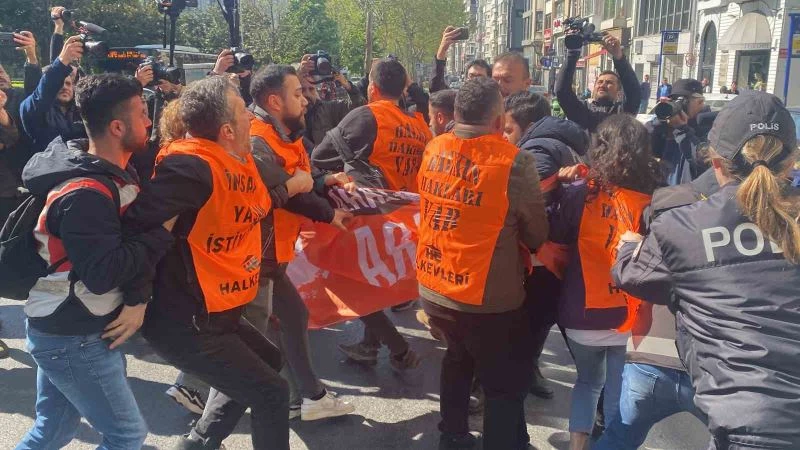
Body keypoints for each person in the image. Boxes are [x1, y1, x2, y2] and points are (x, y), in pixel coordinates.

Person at [613, 91, 800, 449]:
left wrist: (628, 246)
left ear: (715, 163)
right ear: (791, 161)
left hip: (746, 423)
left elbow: (632, 275)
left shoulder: (682, 226)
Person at [122, 76, 287, 450]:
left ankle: (197, 443)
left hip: (215, 311)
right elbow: (139, 229)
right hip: (185, 321)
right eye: (244, 111)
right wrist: (136, 298)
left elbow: (271, 192)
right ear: (227, 130)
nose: (251, 117)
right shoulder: (190, 167)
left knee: (269, 359)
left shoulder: (233, 161)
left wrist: (322, 189)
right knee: (272, 393)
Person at [15, 74, 176, 450]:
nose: (149, 122)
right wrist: (163, 230)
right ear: (118, 127)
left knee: (52, 431)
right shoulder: (86, 193)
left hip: (68, 329)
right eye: (142, 113)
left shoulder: (112, 172)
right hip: (74, 337)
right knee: (127, 436)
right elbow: (104, 274)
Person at [418, 77, 548, 449]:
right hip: (486, 299)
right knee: (502, 384)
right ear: (498, 120)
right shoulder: (514, 161)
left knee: (457, 358)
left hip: (434, 286)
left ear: (455, 114)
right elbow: (537, 234)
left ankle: (452, 436)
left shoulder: (434, 147)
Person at [247, 64, 355, 421]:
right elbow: (289, 190)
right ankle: (199, 396)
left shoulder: (283, 132)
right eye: (297, 94)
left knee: (286, 319)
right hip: (257, 254)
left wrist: (325, 182)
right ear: (275, 101)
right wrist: (328, 213)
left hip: (271, 252)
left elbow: (302, 177)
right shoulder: (257, 139)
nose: (306, 100)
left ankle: (302, 397)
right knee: (249, 338)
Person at [548, 114, 662, 450]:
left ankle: (576, 445)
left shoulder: (578, 194)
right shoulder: (653, 199)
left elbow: (557, 238)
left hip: (581, 312)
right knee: (618, 391)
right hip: (631, 315)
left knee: (586, 383)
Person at [312, 57, 430, 370]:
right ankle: (374, 345)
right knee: (375, 284)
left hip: (368, 217)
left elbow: (320, 156)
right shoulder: (420, 126)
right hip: (406, 221)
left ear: (373, 88)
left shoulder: (368, 115)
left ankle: (397, 348)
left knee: (346, 281)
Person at [592, 169, 718, 450]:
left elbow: (632, 276)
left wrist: (633, 248)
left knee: (618, 438)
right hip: (713, 367)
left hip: (650, 354)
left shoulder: (667, 208)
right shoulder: (760, 222)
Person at [505, 91, 590, 403]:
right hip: (563, 252)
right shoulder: (564, 141)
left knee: (532, 323)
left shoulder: (536, 151)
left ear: (527, 126)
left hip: (543, 256)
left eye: (508, 129)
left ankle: (513, 389)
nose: (505, 136)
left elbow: (531, 210)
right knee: (544, 321)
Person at [555, 34, 640, 132]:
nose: (603, 85)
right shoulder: (583, 110)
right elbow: (562, 92)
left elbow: (634, 93)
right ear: (594, 87)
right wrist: (572, 53)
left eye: (609, 83)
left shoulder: (622, 113)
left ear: (618, 91)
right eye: (599, 82)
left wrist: (619, 58)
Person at [19, 35, 86, 154]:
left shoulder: (81, 110)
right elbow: (43, 92)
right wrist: (63, 60)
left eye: (68, 83)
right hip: (49, 164)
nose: (64, 87)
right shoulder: (35, 111)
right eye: (59, 83)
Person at [647, 78, 708, 185]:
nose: (679, 105)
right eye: (674, 100)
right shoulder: (668, 125)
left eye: (684, 100)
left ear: (700, 102)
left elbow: (702, 160)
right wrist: (659, 121)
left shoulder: (708, 125)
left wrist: (683, 130)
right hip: (664, 190)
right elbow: (644, 145)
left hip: (689, 192)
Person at [298, 54, 366, 146]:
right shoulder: (289, 113)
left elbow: (358, 105)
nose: (307, 94)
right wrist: (298, 73)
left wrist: (346, 84)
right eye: (302, 90)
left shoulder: (327, 109)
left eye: (311, 89)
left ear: (316, 90)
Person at [430, 26, 468, 93]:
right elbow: (436, 90)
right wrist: (442, 49)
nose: (475, 80)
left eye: (479, 76)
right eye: (471, 75)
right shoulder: (459, 98)